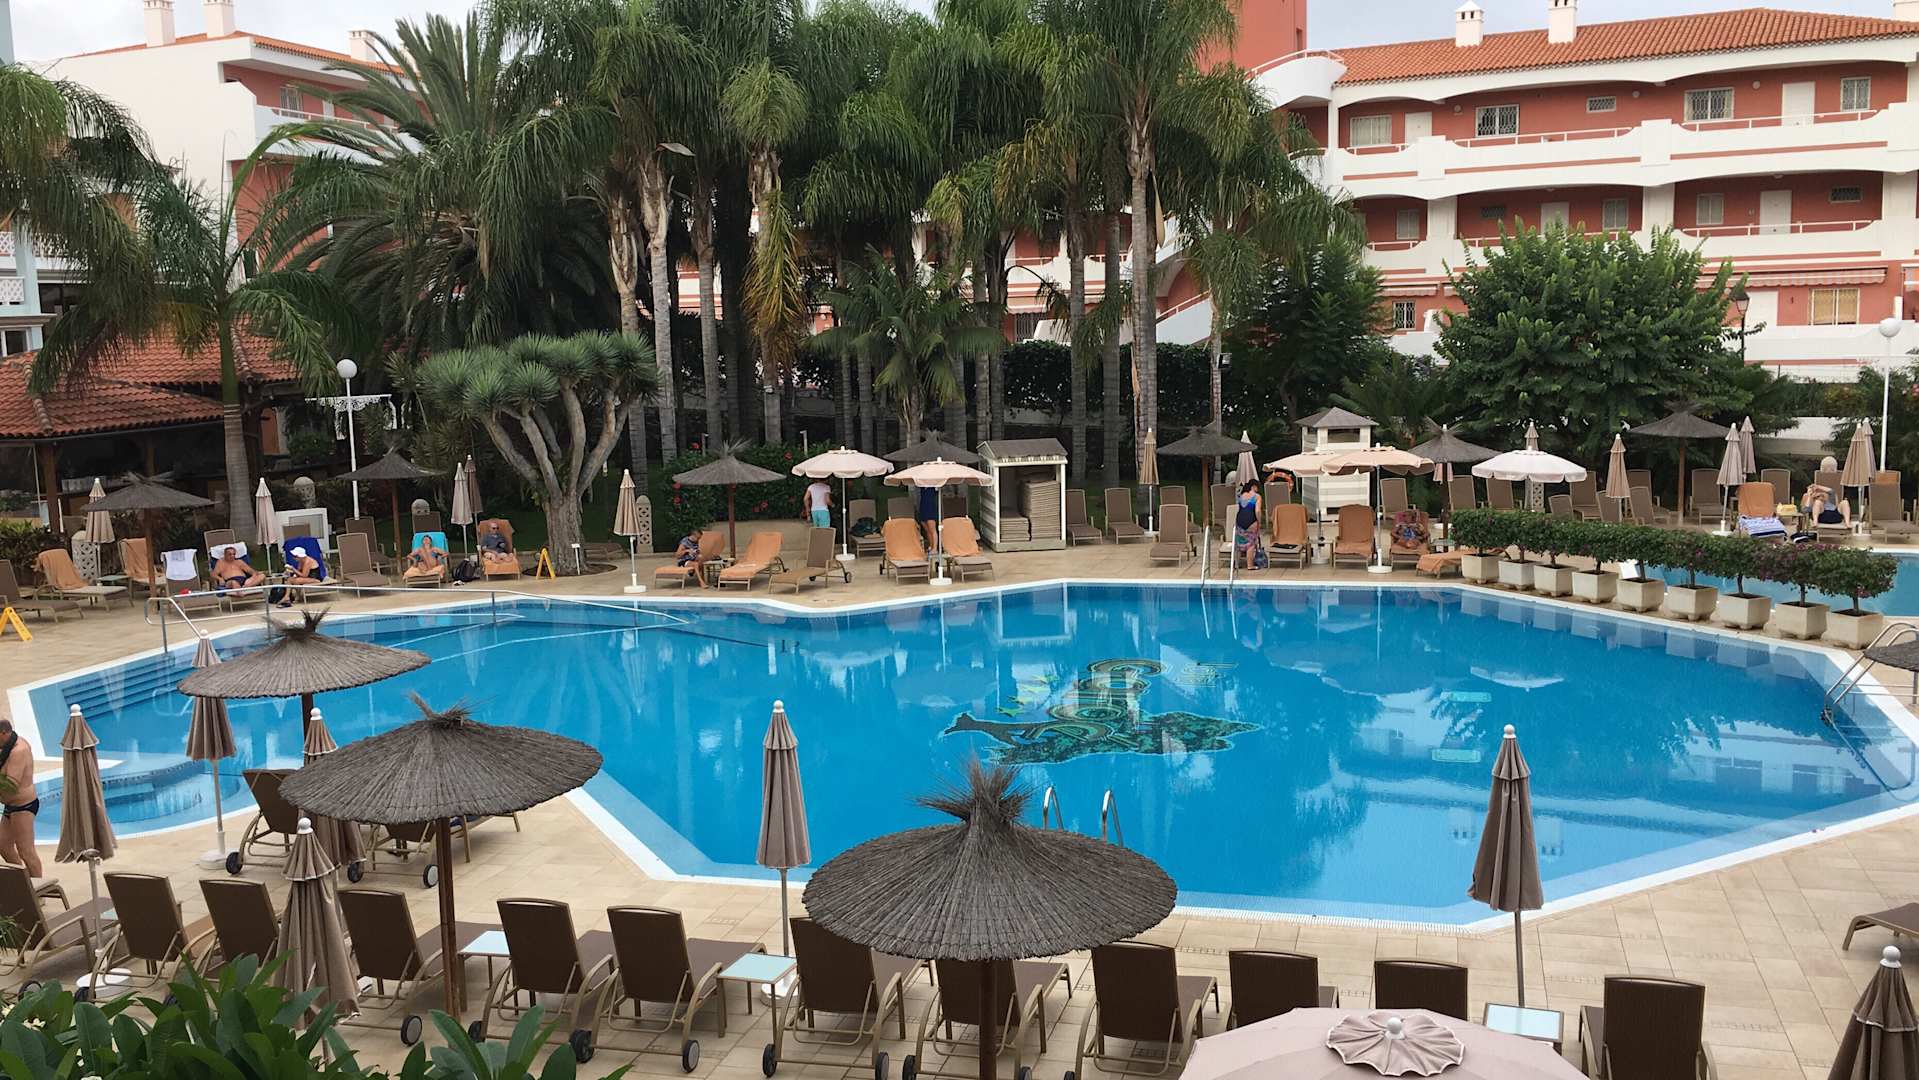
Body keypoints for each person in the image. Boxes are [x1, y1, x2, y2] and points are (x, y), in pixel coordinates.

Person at [0, 719, 41, 877]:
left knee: (26, 851)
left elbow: (11, 785)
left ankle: (39, 888)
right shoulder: (6, 746)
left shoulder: (19, 750)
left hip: (23, 806)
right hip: (10, 806)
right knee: (3, 845)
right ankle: (23, 881)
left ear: (4, 733)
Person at [1235, 480, 1263, 570]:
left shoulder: (1241, 496)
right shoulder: (1257, 497)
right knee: (1251, 543)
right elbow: (1257, 511)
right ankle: (1250, 565)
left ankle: (1236, 564)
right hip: (1251, 521)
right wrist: (1259, 521)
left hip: (1239, 521)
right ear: (1253, 486)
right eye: (1257, 487)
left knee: (1239, 542)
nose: (1258, 489)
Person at [916, 484, 940, 550]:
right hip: (923, 505)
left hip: (930, 506)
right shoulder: (921, 485)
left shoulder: (933, 486)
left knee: (932, 528)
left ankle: (934, 548)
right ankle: (931, 546)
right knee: (927, 529)